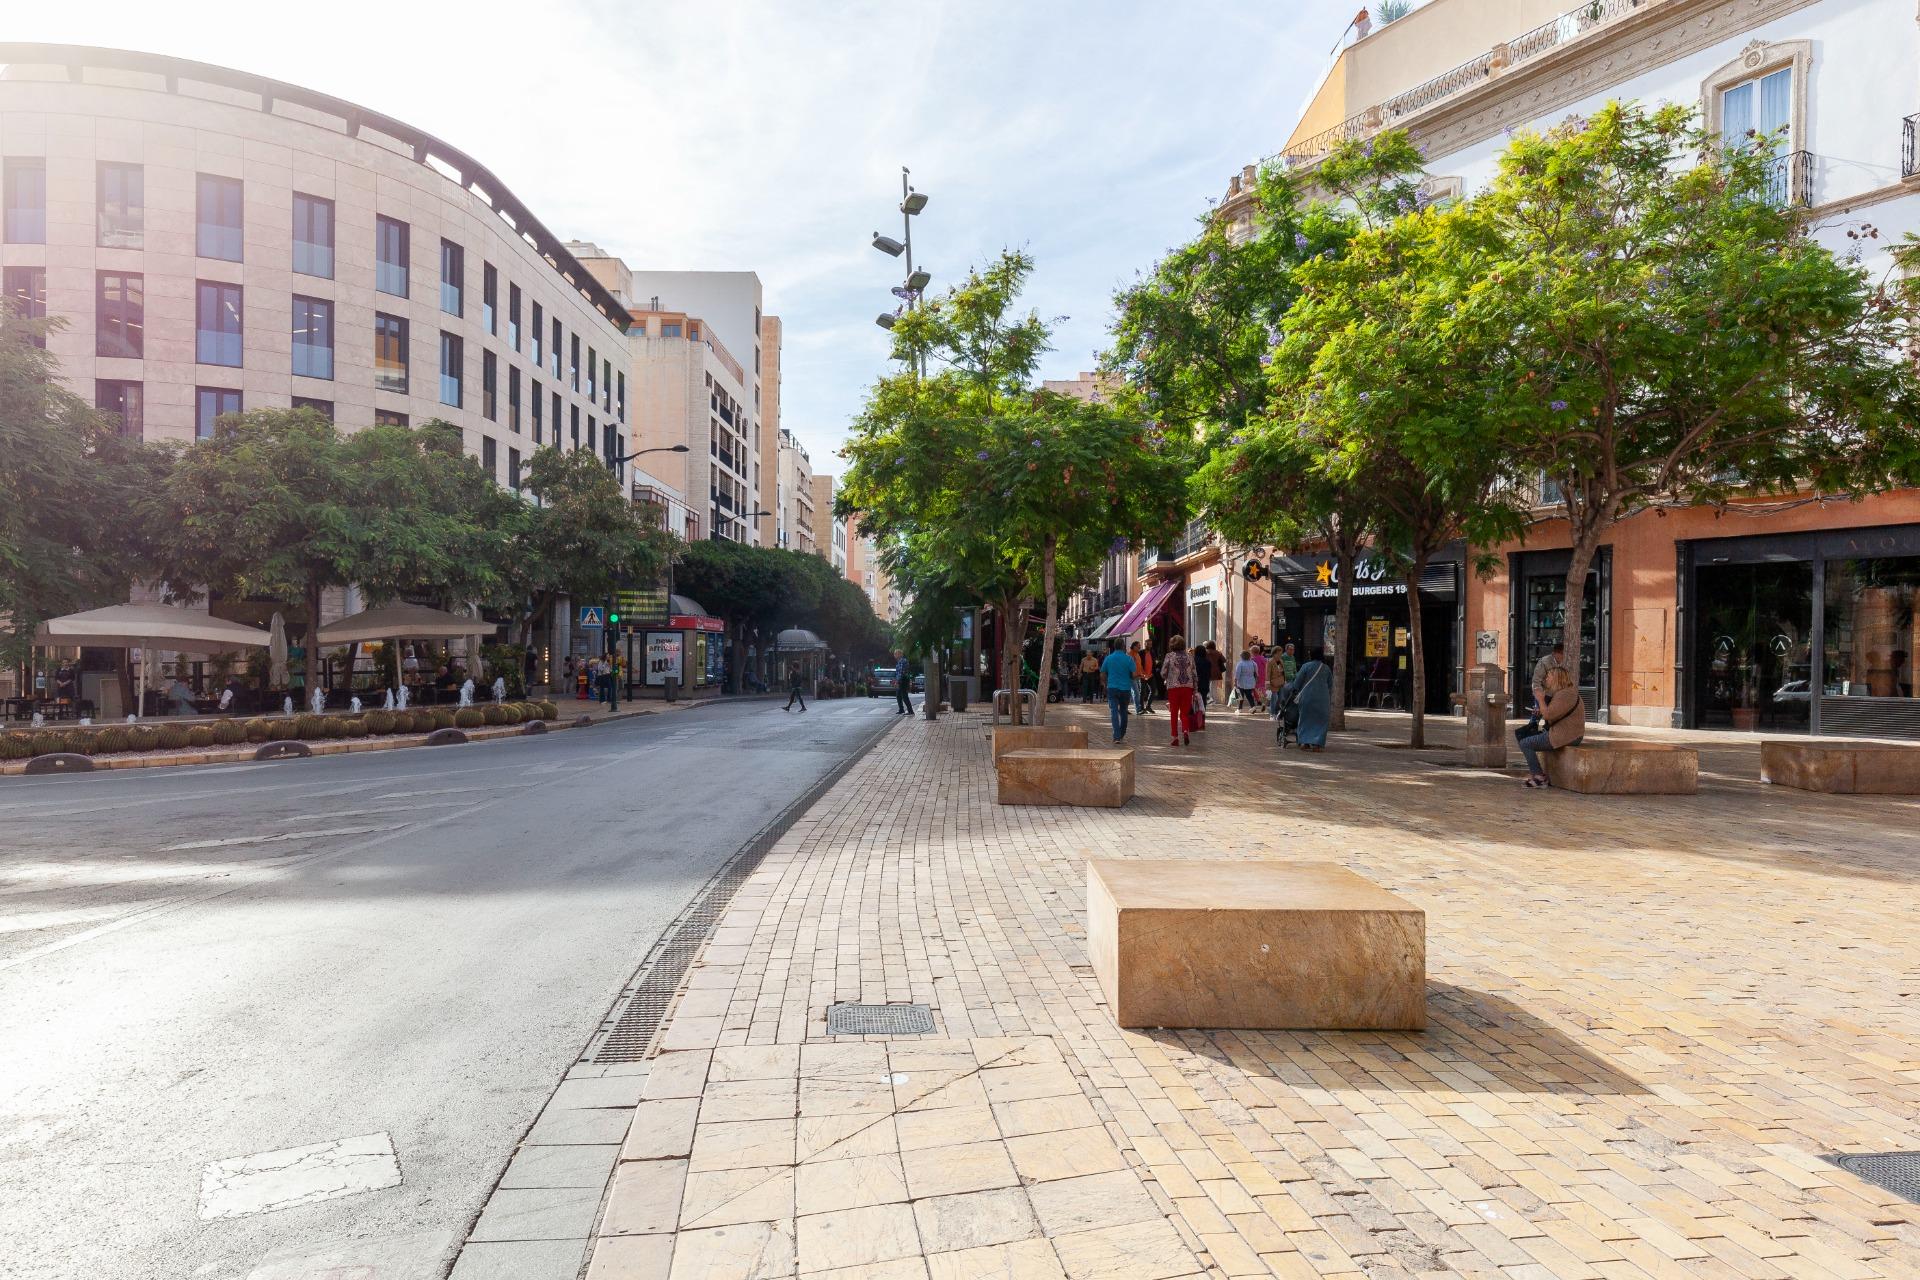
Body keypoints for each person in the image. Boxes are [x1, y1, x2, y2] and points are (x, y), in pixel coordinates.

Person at [1518, 665, 1585, 787]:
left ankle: (1539, 777)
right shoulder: (1564, 693)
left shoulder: (1565, 695)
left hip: (1566, 735)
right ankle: (1538, 775)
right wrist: (1540, 712)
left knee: (1525, 743)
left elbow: (1548, 715)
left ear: (1556, 678)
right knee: (1526, 738)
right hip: (1566, 733)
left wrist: (1540, 700)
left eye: (1548, 676)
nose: (1546, 679)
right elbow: (1553, 714)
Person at [1278, 646, 1334, 751]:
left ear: (1311, 655)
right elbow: (1330, 684)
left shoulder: (1306, 666)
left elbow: (1297, 683)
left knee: (1305, 719)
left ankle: (1305, 743)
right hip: (1323, 699)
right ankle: (1317, 744)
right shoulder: (1326, 668)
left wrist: (1293, 689)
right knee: (1320, 721)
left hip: (1307, 697)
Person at [1161, 635, 1197, 747]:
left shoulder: (1169, 656)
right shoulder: (1190, 656)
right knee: (1185, 713)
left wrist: (1167, 677)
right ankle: (1185, 731)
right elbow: (1194, 673)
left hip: (1173, 687)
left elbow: (1163, 672)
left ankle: (1175, 737)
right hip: (1188, 687)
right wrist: (1195, 689)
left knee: (1174, 712)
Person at [1100, 643, 1136, 743]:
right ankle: (1122, 733)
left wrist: (1105, 684)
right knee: (1124, 711)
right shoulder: (1129, 659)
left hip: (1112, 687)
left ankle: (1116, 736)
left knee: (1114, 711)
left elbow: (1102, 673)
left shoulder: (1108, 658)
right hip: (1125, 688)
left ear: (1114, 647)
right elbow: (1133, 675)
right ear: (1124, 647)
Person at [1531, 640, 1570, 714]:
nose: (1564, 657)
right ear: (1557, 653)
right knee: (1536, 718)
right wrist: (1538, 696)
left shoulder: (1564, 662)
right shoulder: (1545, 662)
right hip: (1545, 694)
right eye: (1563, 654)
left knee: (1551, 719)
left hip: (1557, 695)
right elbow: (1536, 680)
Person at [1192, 641, 1214, 708]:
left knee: (1193, 700)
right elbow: (1209, 674)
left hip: (1193, 683)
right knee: (1203, 700)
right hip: (1204, 684)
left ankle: (1194, 715)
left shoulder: (1192, 660)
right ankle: (1202, 715)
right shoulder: (1207, 662)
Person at [893, 649, 914, 715]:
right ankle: (901, 709)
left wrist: (897, 681)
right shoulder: (899, 661)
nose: (894, 655)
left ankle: (910, 711)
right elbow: (898, 672)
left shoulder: (902, 661)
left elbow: (901, 672)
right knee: (898, 695)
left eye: (896, 654)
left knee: (904, 696)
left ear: (899, 654)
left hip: (903, 680)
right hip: (901, 679)